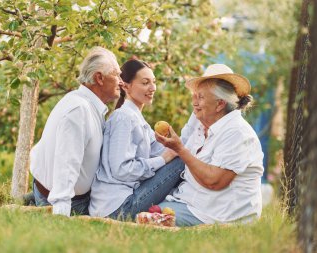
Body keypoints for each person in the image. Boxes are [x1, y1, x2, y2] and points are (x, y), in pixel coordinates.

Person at [155, 64, 264, 226]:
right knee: (145, 212)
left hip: (216, 215)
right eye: (194, 96)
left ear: (220, 104)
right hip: (191, 204)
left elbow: (214, 181)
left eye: (200, 97)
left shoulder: (237, 133)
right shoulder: (203, 125)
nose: (194, 103)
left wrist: (180, 149)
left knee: (146, 218)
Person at [29, 47, 123, 217]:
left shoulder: (88, 104)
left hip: (61, 193)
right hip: (61, 199)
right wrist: (61, 213)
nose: (121, 82)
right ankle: (37, 202)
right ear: (99, 78)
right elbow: (66, 163)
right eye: (116, 75)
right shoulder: (79, 110)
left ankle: (32, 199)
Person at [89, 60, 185, 220]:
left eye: (154, 82)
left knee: (183, 154)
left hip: (125, 199)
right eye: (145, 83)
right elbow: (121, 169)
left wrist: (174, 147)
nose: (153, 88)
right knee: (182, 160)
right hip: (118, 207)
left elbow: (162, 152)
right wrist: (164, 159)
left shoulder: (137, 119)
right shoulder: (123, 118)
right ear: (125, 86)